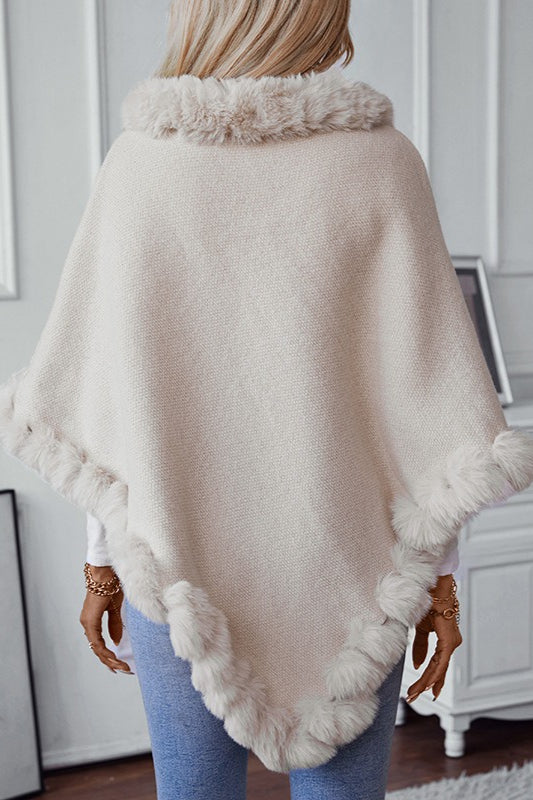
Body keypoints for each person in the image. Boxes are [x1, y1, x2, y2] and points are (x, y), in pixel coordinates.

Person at [1, 1, 532, 798]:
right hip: (349, 567)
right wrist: (441, 580)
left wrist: (104, 564)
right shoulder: (381, 163)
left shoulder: (140, 168)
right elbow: (427, 407)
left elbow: (113, 408)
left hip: (175, 557)